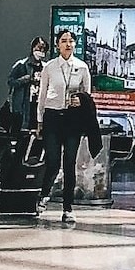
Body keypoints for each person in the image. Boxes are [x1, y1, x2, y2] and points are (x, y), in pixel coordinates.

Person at [32, 28, 96, 227]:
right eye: (63, 41)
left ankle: (68, 208)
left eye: (71, 41)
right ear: (58, 44)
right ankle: (43, 195)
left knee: (69, 163)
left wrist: (81, 102)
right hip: (52, 116)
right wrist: (39, 121)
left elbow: (88, 95)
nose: (68, 44)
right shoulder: (50, 67)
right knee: (53, 161)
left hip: (72, 119)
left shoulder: (82, 67)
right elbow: (42, 95)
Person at [8, 37, 48, 126]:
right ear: (33, 48)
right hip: (23, 104)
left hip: (39, 103)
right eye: (39, 48)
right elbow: (10, 82)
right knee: (21, 130)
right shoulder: (21, 65)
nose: (41, 51)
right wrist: (24, 79)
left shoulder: (46, 67)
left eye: (43, 49)